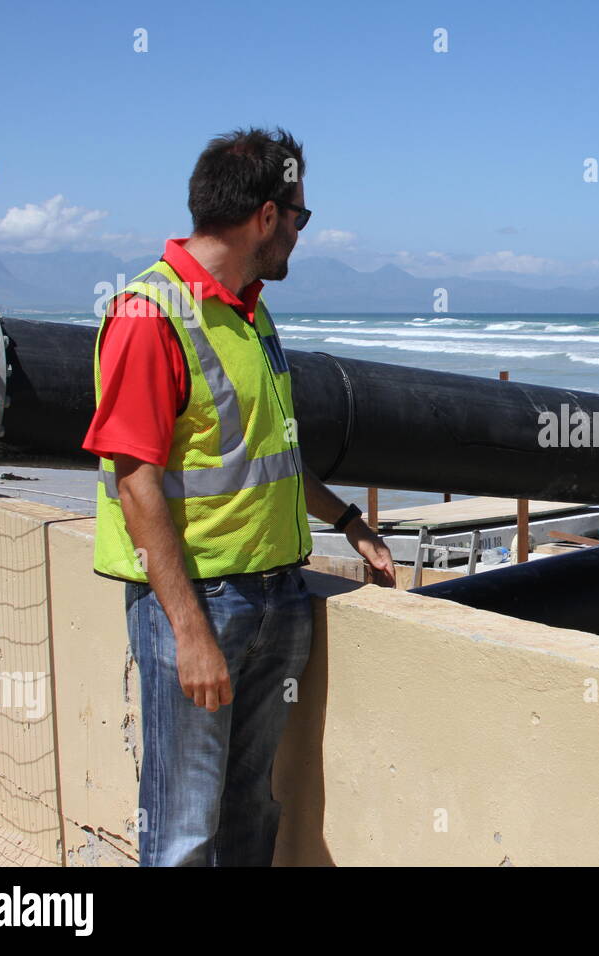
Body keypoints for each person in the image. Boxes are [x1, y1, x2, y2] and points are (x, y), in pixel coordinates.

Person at [82, 127, 396, 867]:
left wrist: (348, 521)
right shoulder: (148, 314)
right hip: (201, 608)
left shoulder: (251, 314)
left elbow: (272, 458)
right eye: (300, 217)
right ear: (265, 216)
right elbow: (135, 483)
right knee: (185, 827)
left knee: (252, 809)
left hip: (276, 599)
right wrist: (190, 634)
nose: (300, 234)